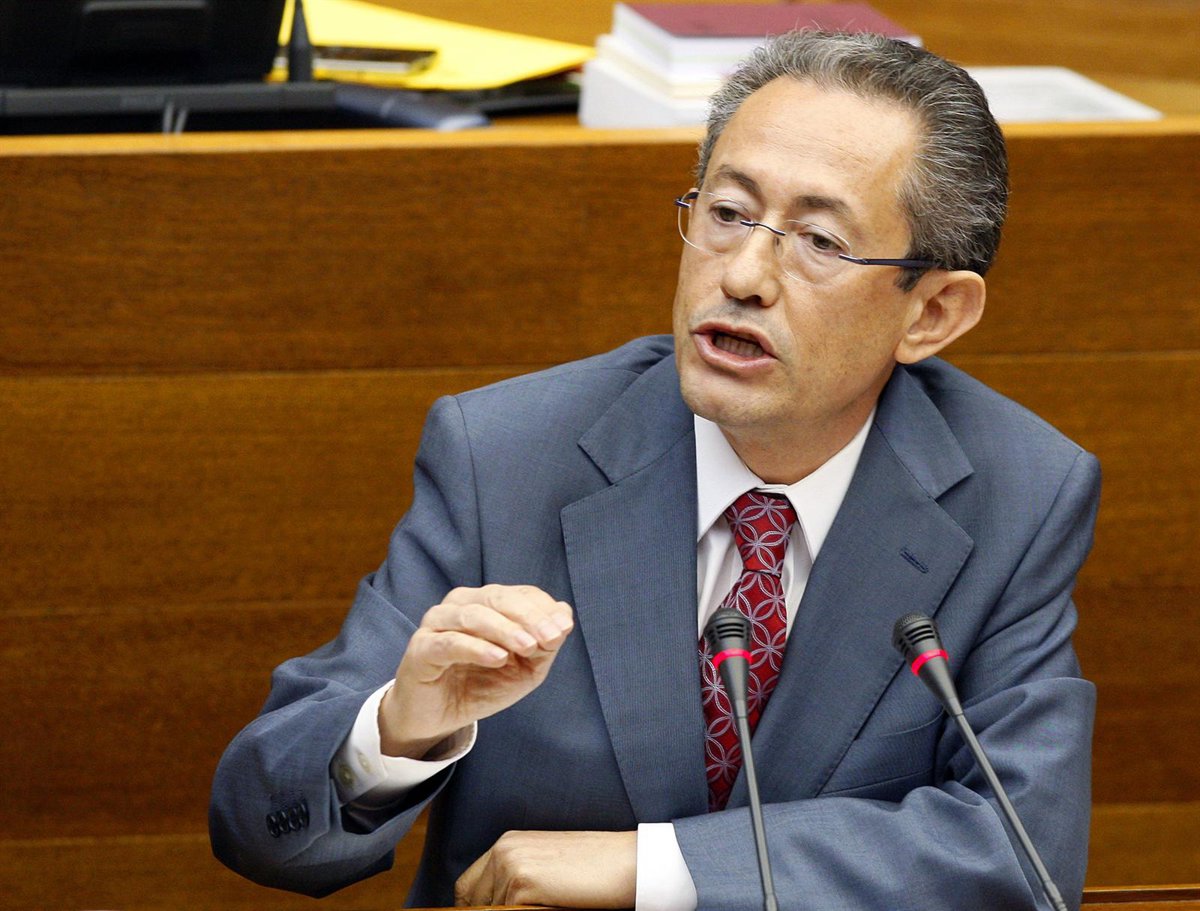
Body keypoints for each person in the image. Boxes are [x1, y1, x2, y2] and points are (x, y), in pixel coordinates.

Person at [210, 30, 1099, 911]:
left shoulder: (1018, 494)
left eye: (820, 242)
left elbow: (1024, 852)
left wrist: (658, 868)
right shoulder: (505, 455)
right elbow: (258, 824)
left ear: (932, 312)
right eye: (727, 213)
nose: (744, 275)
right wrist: (396, 730)